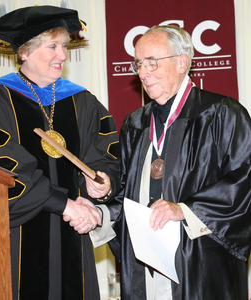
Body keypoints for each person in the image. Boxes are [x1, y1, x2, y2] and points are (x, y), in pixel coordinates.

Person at [0, 5, 119, 300]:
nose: (63, 55)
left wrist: (101, 184)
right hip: (18, 234)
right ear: (24, 52)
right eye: (53, 46)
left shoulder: (82, 101)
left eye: (65, 46)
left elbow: (105, 153)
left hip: (74, 233)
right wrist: (63, 204)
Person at [72, 25, 251, 299]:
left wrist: (184, 210)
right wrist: (100, 212)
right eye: (139, 64)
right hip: (146, 268)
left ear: (182, 62)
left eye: (152, 63)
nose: (143, 73)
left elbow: (244, 182)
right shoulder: (135, 123)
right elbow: (127, 197)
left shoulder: (222, 114)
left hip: (200, 265)